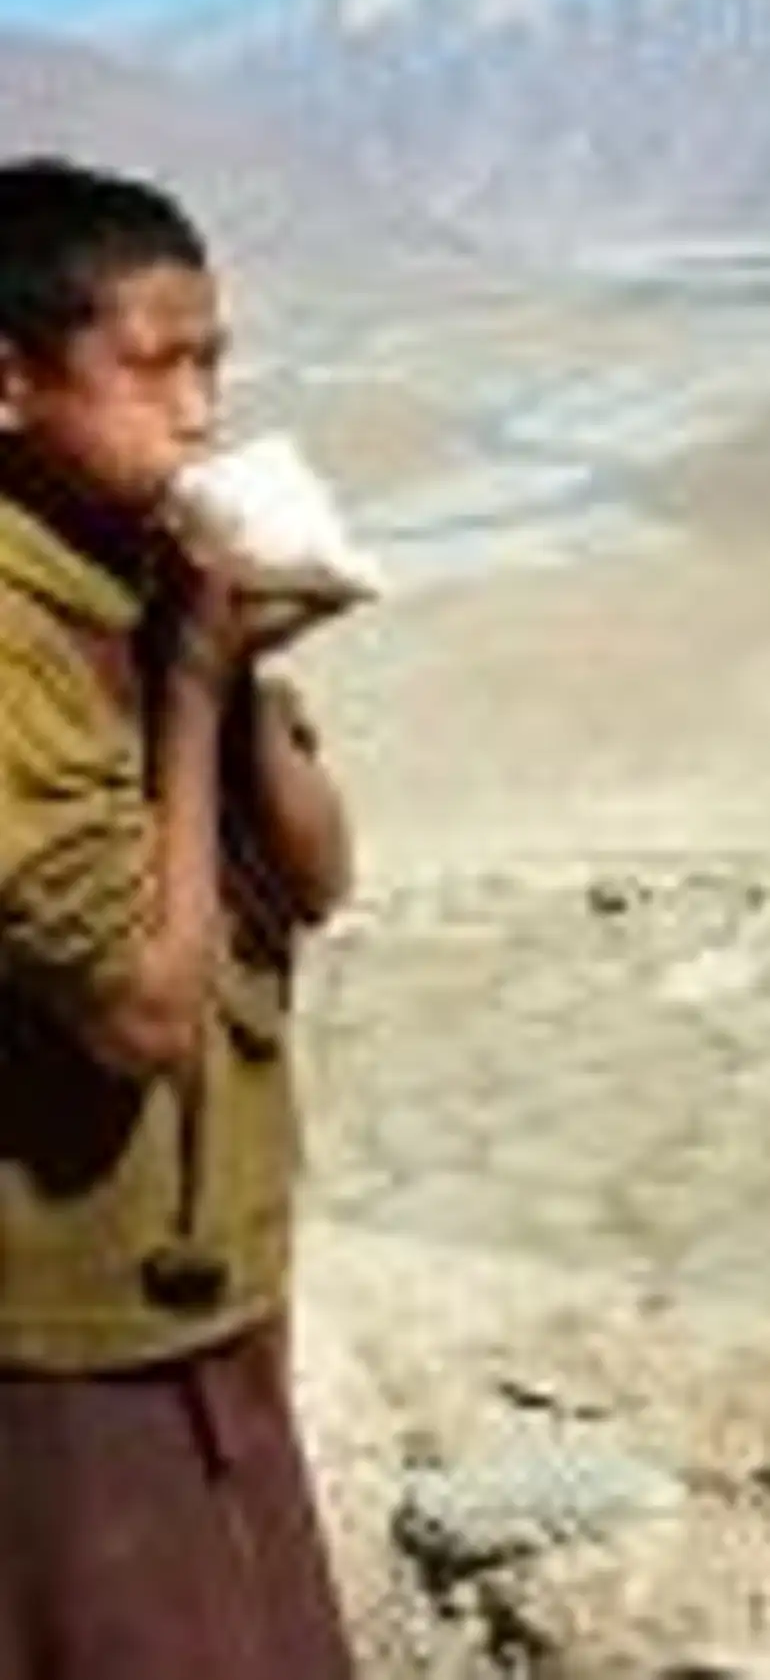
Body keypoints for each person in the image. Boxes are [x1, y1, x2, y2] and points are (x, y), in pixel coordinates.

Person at [0, 158, 358, 1679]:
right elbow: (144, 1008)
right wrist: (194, 687)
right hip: (69, 1329)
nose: (200, 411)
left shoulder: (138, 570)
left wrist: (251, 676)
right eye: (152, 366)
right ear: (8, 382)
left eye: (213, 361)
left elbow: (318, 876)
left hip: (206, 1273)